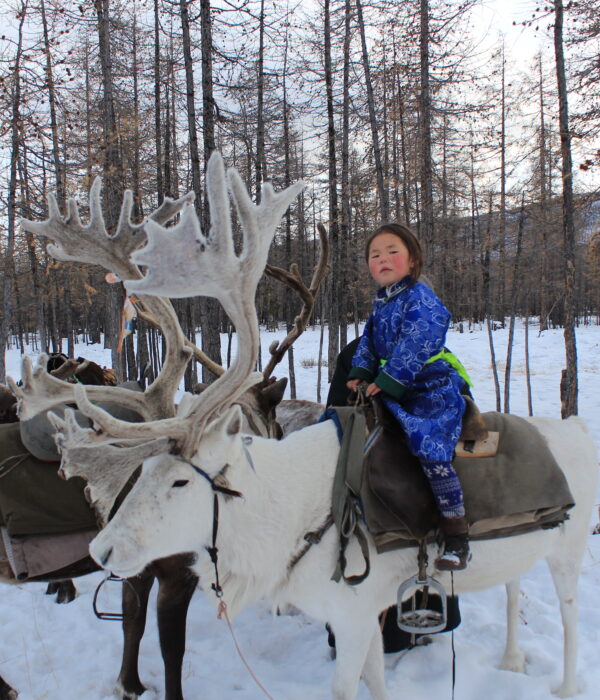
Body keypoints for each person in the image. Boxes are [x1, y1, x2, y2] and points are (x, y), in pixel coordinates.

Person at [346, 223, 471, 571]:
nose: (382, 259)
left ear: (413, 260)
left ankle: (457, 533)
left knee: (429, 446)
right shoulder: (381, 304)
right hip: (393, 387)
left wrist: (390, 379)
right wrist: (360, 372)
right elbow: (368, 343)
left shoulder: (420, 297)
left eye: (392, 251)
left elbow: (418, 341)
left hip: (429, 387)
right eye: (375, 255)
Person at [326, 338, 462, 654]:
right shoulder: (358, 352)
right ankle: (375, 630)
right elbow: (339, 409)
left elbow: (461, 395)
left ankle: (411, 624)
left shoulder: (433, 348)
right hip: (376, 462)